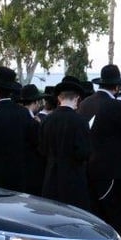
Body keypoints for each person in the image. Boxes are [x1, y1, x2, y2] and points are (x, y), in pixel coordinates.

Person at [80, 64, 121, 240]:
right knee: (118, 214)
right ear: (117, 87)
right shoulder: (116, 105)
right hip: (113, 169)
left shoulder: (85, 104)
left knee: (97, 213)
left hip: (90, 167)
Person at [39, 76, 93, 211]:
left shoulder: (47, 120)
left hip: (50, 179)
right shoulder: (80, 121)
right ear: (76, 98)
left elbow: (41, 150)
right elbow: (84, 152)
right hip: (73, 181)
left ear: (59, 98)